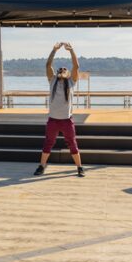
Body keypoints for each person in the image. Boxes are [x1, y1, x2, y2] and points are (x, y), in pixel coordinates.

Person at [34, 42, 85, 177]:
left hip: (67, 121)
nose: (62, 69)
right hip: (53, 121)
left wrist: (72, 51)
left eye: (64, 69)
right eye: (60, 68)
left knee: (72, 144)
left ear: (68, 73)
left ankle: (79, 167)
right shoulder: (52, 81)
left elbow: (76, 66)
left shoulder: (71, 82)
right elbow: (48, 65)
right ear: (57, 73)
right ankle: (41, 166)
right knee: (48, 143)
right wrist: (54, 50)